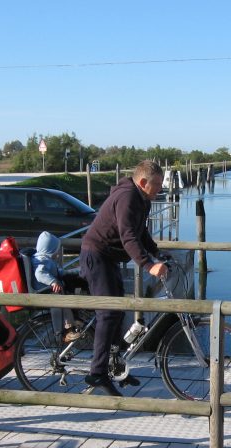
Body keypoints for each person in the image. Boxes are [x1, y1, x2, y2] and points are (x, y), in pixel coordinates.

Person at [79, 160, 168, 394]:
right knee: (108, 313)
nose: (160, 189)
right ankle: (97, 374)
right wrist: (148, 264)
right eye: (157, 185)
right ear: (142, 182)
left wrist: (157, 252)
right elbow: (128, 236)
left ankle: (114, 365)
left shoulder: (143, 200)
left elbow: (141, 232)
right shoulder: (128, 196)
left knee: (118, 310)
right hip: (96, 256)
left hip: (109, 258)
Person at [31, 231, 87, 343]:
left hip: (50, 290)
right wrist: (52, 282)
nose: (57, 252)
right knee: (63, 303)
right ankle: (68, 328)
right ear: (49, 248)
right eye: (55, 249)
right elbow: (39, 274)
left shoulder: (46, 259)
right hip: (46, 291)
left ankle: (75, 318)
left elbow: (57, 271)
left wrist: (73, 271)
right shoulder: (42, 260)